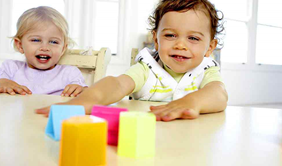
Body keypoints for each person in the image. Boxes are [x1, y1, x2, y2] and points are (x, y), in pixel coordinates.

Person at [36, 0, 228, 121]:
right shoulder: (148, 68)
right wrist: (88, 100)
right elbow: (118, 84)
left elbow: (219, 94)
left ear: (210, 47)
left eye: (193, 38)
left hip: (191, 143)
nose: (180, 45)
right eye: (170, 35)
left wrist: (192, 102)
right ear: (156, 39)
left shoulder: (206, 69)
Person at [0, 6, 87, 97]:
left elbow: (89, 94)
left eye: (53, 42)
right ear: (20, 45)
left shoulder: (69, 73)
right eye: (36, 40)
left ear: (63, 48)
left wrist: (80, 90)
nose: (45, 47)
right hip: (18, 116)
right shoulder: (11, 69)